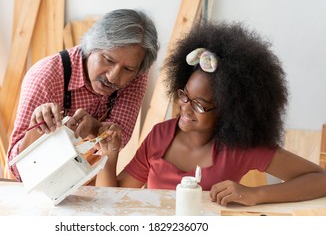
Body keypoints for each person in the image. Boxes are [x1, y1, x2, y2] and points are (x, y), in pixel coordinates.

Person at [96, 21, 326, 206]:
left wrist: (255, 194)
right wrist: (109, 158)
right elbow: (114, 202)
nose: (185, 108)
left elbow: (320, 179)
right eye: (184, 95)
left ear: (230, 110)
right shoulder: (160, 136)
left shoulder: (240, 147)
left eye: (200, 104)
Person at [7, 9, 159, 181]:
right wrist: (39, 129)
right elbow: (17, 170)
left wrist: (94, 128)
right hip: (34, 184)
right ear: (91, 46)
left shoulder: (136, 75)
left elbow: (118, 138)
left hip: (85, 180)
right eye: (108, 60)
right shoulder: (46, 77)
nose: (113, 77)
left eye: (128, 69)